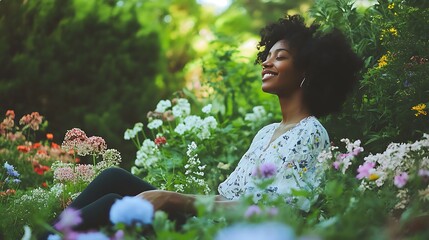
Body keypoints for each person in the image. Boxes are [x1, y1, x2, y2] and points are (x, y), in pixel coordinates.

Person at [47, 14, 362, 233]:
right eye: (267, 55)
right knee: (115, 178)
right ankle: (46, 234)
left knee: (118, 204)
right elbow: (228, 198)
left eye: (280, 57)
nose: (266, 62)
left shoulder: (310, 133)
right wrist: (168, 195)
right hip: (216, 222)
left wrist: (171, 199)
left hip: (233, 234)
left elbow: (280, 211)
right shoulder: (268, 132)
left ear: (307, 70)